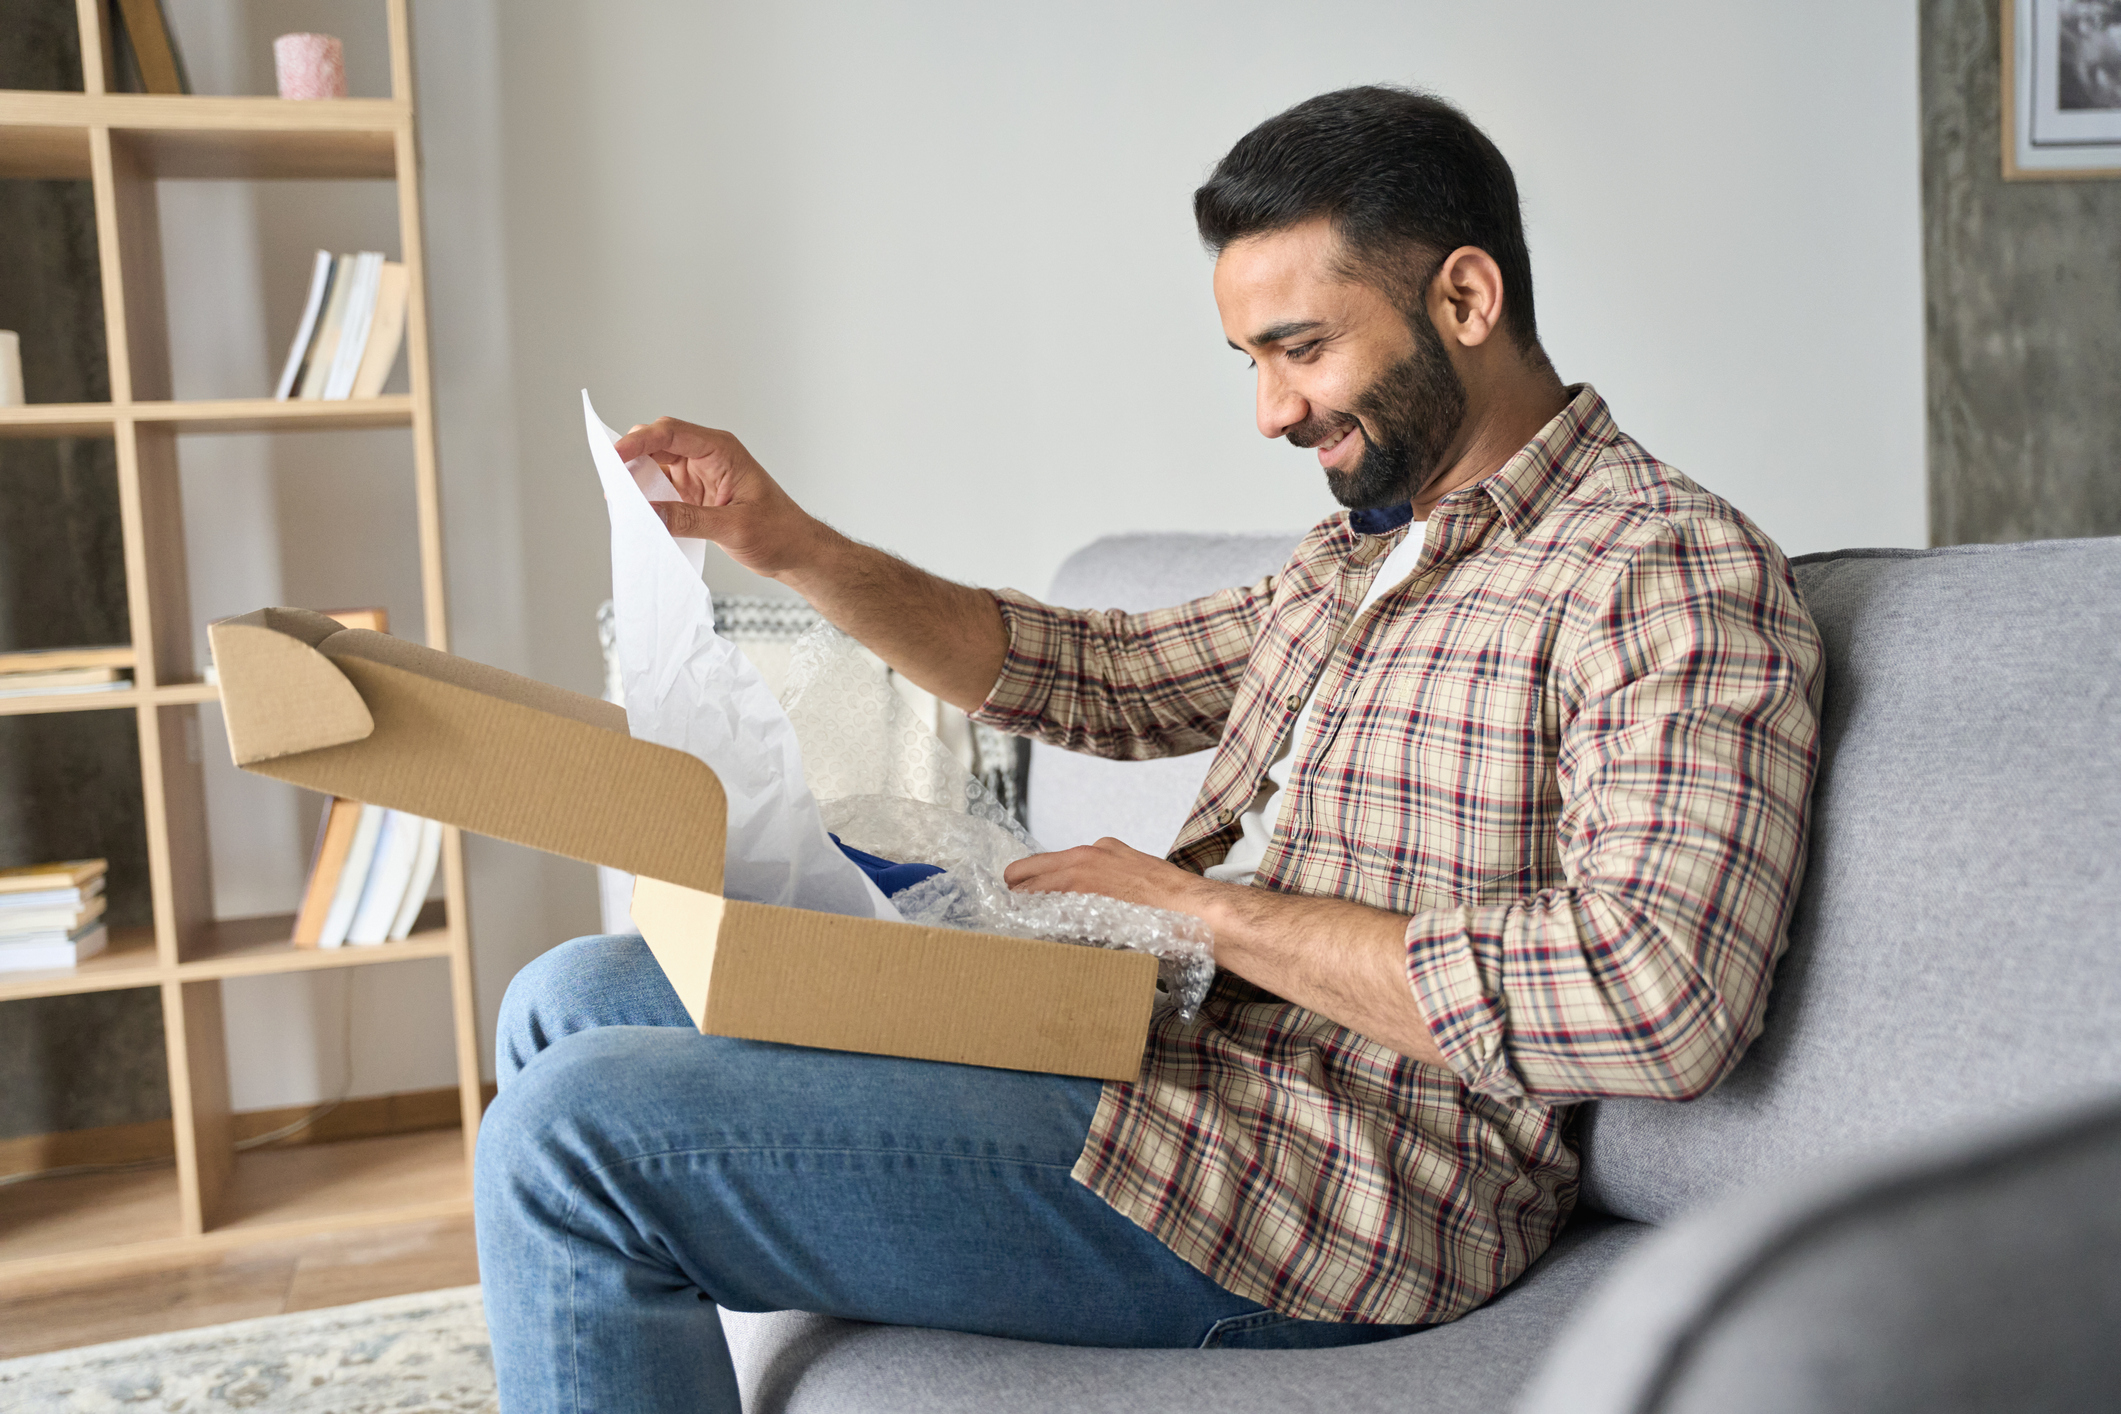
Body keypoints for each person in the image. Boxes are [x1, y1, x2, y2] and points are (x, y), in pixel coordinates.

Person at [475, 85, 1824, 1413]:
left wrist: (1202, 912)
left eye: (1299, 348)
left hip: (1347, 1185)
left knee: (570, 1137)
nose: (1271, 411)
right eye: (1250, 362)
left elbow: (1657, 997)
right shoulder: (1358, 558)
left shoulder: (1658, 569)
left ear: (1465, 302)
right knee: (575, 995)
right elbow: (1098, 676)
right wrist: (788, 542)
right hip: (1172, 1062)